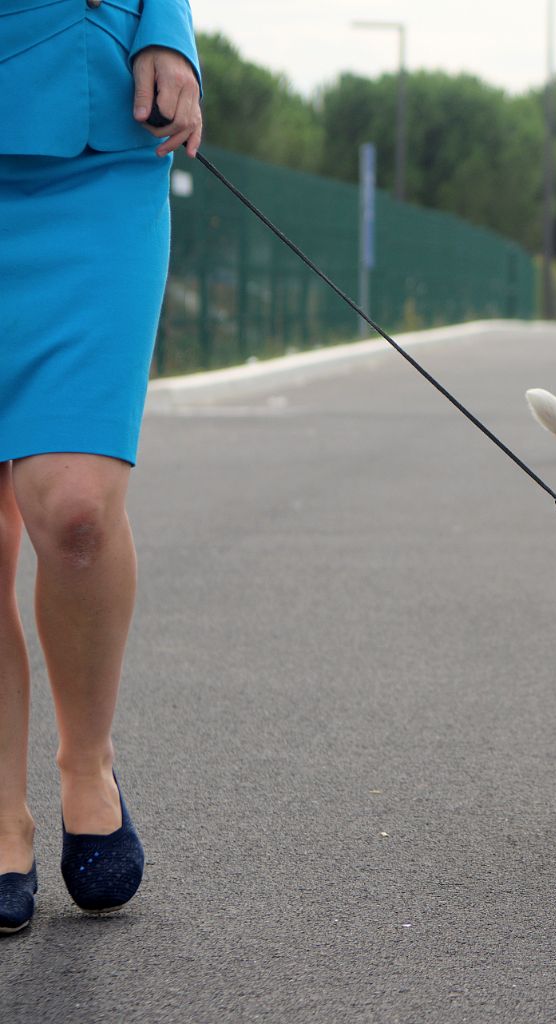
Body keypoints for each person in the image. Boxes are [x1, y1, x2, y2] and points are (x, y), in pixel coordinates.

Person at [0, 0, 202, 933]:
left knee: (76, 510)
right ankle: (2, 813)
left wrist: (166, 28)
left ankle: (87, 759)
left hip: (99, 127)